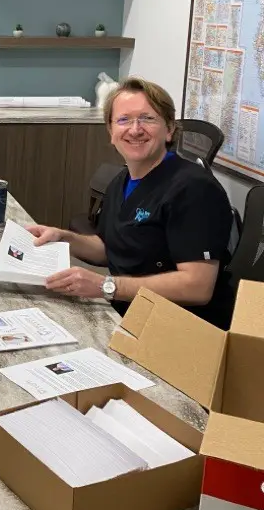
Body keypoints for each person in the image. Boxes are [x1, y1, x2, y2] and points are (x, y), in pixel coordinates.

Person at [29, 76, 235, 329]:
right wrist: (63, 238)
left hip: (179, 329)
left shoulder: (194, 189)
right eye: (123, 120)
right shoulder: (122, 180)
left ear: (169, 129)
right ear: (111, 131)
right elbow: (113, 246)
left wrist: (106, 286)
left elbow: (197, 286)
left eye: (147, 118)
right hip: (127, 311)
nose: (135, 129)